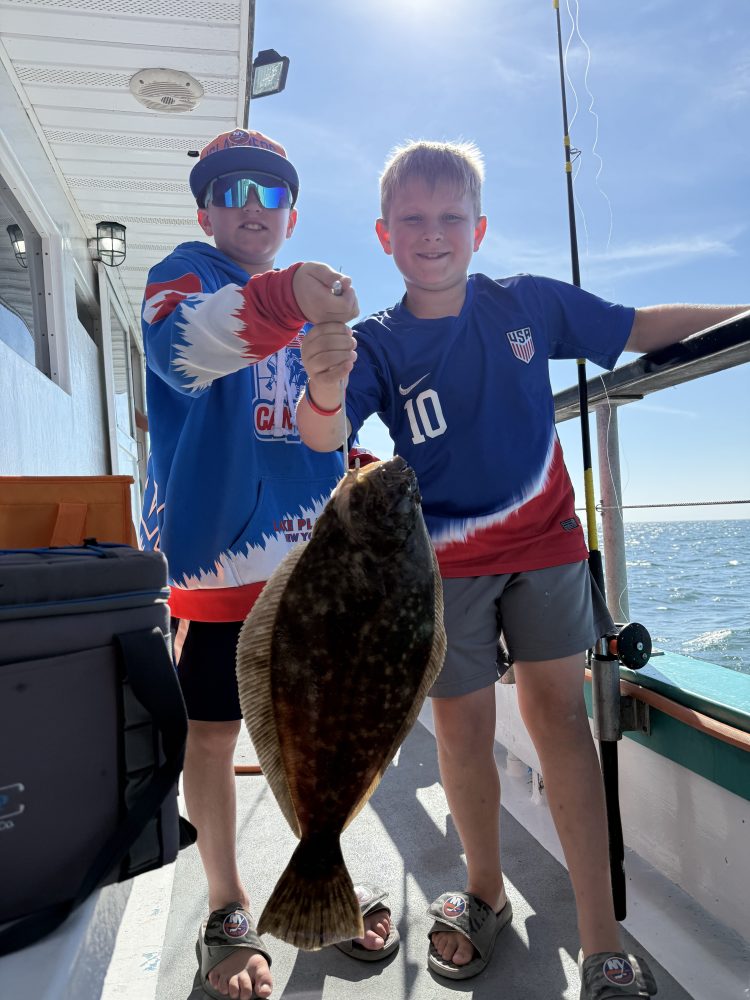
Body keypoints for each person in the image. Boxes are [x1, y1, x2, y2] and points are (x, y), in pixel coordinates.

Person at [295, 138, 748, 997]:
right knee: (461, 736)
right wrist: (323, 385)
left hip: (546, 552)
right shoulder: (374, 345)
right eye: (414, 221)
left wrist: (738, 311)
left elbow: (635, 327)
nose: (434, 235)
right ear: (384, 236)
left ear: (481, 227)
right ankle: (483, 893)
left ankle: (600, 931)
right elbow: (325, 438)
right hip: (440, 572)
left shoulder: (529, 304)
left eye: (451, 219)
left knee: (559, 725)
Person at [140, 127, 398, 1000]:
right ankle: (226, 905)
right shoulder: (184, 275)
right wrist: (290, 298)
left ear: (291, 212)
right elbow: (188, 350)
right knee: (213, 735)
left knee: (321, 731)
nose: (253, 209)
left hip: (311, 566)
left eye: (271, 195)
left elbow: (326, 434)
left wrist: (329, 388)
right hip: (220, 564)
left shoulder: (310, 315)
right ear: (207, 208)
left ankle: (324, 875)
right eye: (233, 192)